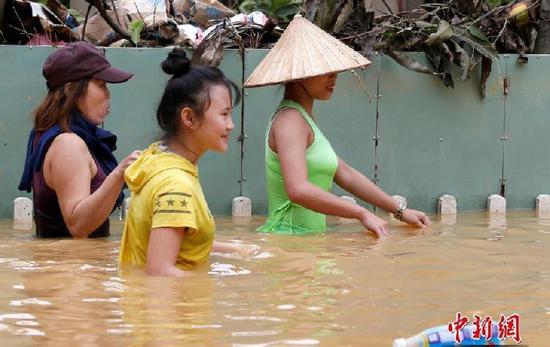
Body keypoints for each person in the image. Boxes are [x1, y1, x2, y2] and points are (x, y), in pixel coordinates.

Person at [243, 15, 431, 237]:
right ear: (300, 74)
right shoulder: (290, 120)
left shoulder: (302, 118)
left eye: (334, 69)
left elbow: (345, 173)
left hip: (305, 246)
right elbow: (298, 189)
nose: (334, 77)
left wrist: (400, 211)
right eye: (325, 70)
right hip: (289, 243)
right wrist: (360, 213)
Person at [119, 48, 259, 277]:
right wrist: (222, 284)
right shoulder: (176, 185)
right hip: (172, 310)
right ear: (189, 118)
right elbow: (160, 271)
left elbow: (175, 245)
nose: (231, 125)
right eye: (224, 114)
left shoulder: (156, 160)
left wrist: (235, 249)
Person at [19, 41, 140, 238]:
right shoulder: (68, 144)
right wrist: (118, 175)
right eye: (101, 85)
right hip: (73, 267)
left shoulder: (49, 134)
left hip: (65, 266)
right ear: (70, 89)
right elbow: (78, 226)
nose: (108, 94)